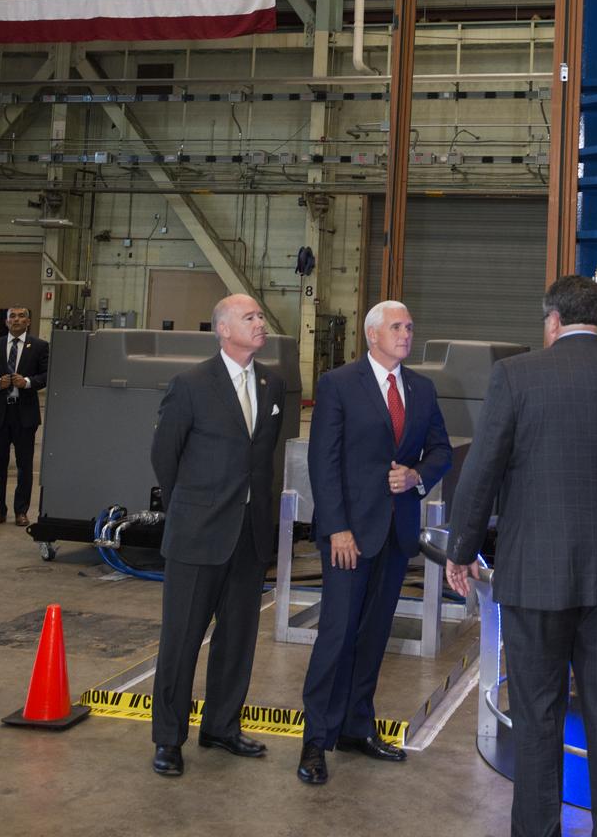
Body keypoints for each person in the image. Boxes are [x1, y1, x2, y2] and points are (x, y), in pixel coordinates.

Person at [446, 274, 597, 837]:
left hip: (537, 575)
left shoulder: (516, 376)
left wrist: (461, 549)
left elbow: (480, 473)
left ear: (552, 320)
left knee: (537, 716)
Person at [298, 300, 452, 787]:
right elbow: (323, 462)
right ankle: (315, 740)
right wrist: (338, 528)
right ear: (371, 336)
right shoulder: (340, 384)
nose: (406, 334)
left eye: (409, 326)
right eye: (397, 327)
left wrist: (417, 477)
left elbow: (443, 450)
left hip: (395, 532)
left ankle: (355, 728)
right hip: (349, 534)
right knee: (337, 634)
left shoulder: (423, 391)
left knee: (372, 637)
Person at [150, 294, 285, 778]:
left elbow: (265, 458)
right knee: (182, 640)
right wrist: (193, 505)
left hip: (248, 537)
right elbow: (165, 456)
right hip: (198, 534)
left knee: (238, 638)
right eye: (249, 317)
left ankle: (222, 726)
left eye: (259, 317)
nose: (260, 323)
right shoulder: (190, 385)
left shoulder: (272, 384)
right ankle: (168, 738)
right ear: (224, 329)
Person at [0, 306, 49, 527]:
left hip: (25, 415)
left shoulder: (39, 346)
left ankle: (21, 511)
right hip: (1, 414)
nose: (16, 319)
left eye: (21, 316)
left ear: (28, 321)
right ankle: (0, 511)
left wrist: (27, 382)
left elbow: (47, 374)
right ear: (6, 321)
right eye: (12, 316)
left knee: (24, 465)